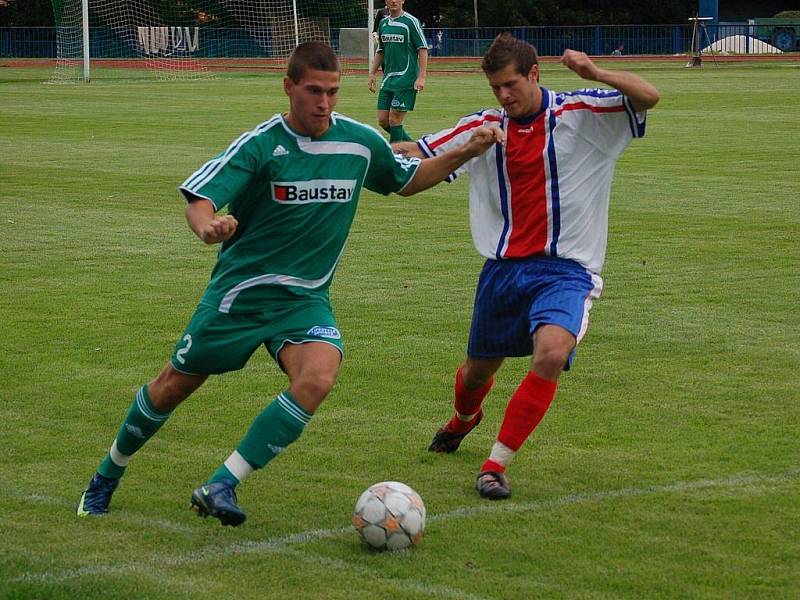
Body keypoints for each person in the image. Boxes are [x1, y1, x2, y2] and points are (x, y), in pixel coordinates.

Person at [76, 41, 502, 526]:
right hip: (241, 296)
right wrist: (207, 226)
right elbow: (200, 199)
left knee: (318, 377)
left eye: (333, 92)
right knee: (172, 387)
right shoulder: (261, 144)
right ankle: (108, 474)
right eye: (314, 91)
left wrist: (465, 150)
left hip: (304, 300)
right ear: (289, 87)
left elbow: (407, 179)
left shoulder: (361, 143)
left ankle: (222, 482)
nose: (324, 103)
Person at [395, 34, 660, 500]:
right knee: (476, 373)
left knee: (552, 352)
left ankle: (495, 465)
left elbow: (648, 96)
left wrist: (596, 73)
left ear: (534, 74)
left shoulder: (583, 111)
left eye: (511, 84)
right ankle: (463, 420)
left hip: (566, 270)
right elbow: (415, 156)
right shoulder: (484, 126)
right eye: (496, 87)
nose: (503, 95)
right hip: (503, 272)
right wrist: (459, 150)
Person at [367, 0, 428, 143]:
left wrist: (421, 77)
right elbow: (380, 51)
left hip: (407, 78)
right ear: (385, 1)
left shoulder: (411, 22)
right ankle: (415, 147)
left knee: (395, 119)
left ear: (403, 1)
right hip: (388, 79)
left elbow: (423, 49)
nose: (393, 1)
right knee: (383, 120)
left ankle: (395, 159)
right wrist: (372, 73)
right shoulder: (383, 24)